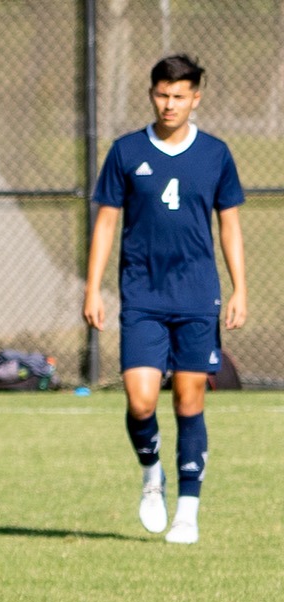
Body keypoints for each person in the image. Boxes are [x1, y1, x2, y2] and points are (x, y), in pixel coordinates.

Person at [84, 53, 246, 545]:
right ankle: (152, 473)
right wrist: (92, 288)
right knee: (141, 400)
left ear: (196, 98)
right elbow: (107, 222)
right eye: (161, 94)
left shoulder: (215, 154)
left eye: (179, 96)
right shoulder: (126, 152)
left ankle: (188, 512)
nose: (169, 104)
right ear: (151, 94)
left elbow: (230, 225)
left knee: (190, 399)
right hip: (142, 296)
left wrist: (241, 288)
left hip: (198, 296)